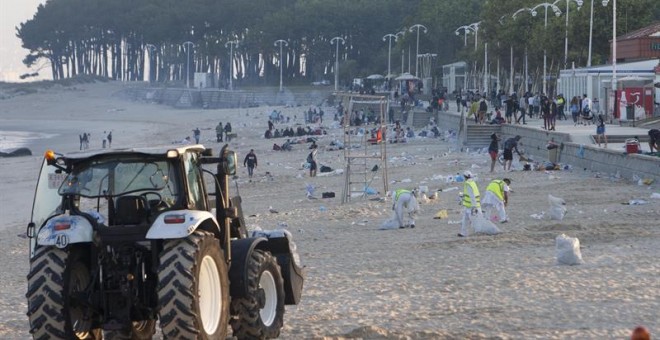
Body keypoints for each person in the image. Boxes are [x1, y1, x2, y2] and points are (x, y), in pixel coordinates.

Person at [459, 170, 481, 237]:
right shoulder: (472, 182)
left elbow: (472, 196)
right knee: (465, 220)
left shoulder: (468, 184)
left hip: (472, 206)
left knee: (473, 220)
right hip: (469, 205)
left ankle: (478, 232)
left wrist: (474, 207)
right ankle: (463, 233)